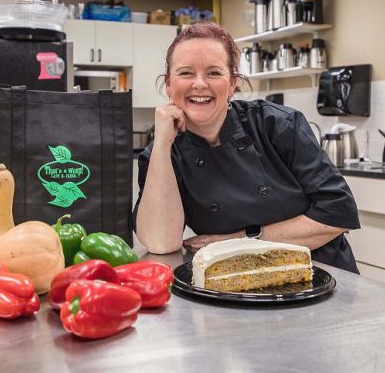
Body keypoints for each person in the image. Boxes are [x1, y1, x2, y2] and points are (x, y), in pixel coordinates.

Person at [132, 22, 360, 273]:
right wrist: (162, 145)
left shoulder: (278, 125)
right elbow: (160, 243)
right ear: (168, 84)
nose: (199, 84)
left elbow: (338, 212)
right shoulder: (163, 153)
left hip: (317, 271)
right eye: (185, 73)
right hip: (233, 278)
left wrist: (242, 240)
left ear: (232, 83)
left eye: (214, 73)